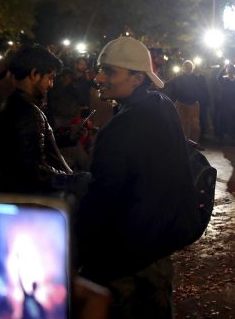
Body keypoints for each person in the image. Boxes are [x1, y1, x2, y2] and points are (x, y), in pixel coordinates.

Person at [76, 37, 198, 317]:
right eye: (101, 69)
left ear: (137, 78)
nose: (99, 78)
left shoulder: (120, 128)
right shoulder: (162, 106)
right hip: (157, 249)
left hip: (126, 260)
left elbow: (102, 201)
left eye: (110, 72)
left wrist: (84, 257)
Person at [0, 45, 86, 194]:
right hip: (29, 199)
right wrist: (74, 180)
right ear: (34, 74)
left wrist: (66, 137)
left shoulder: (13, 104)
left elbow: (31, 146)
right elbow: (33, 170)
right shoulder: (27, 112)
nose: (51, 85)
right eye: (50, 78)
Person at [167, 60, 208, 144]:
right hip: (182, 104)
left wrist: (202, 101)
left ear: (192, 68)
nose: (188, 68)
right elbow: (174, 91)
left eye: (189, 66)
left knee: (195, 127)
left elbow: (201, 91)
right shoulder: (178, 78)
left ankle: (193, 144)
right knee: (183, 126)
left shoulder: (196, 79)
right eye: (186, 66)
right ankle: (183, 144)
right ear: (183, 68)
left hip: (194, 104)